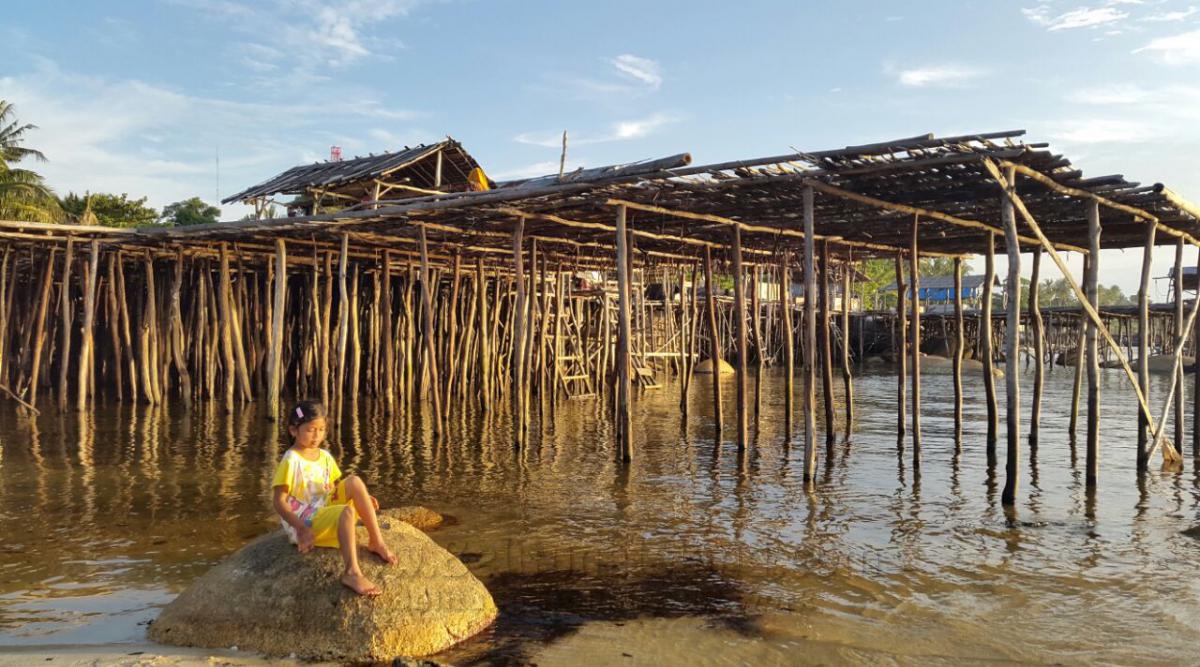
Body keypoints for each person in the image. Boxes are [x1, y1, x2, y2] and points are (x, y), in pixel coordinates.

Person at [271, 400, 397, 596]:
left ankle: (376, 541)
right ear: (293, 430)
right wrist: (301, 529)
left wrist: (360, 497)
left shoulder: (324, 456)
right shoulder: (291, 460)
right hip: (304, 519)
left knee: (355, 481)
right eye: (311, 430)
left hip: (322, 507)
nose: (317, 436)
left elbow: (335, 488)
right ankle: (351, 572)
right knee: (346, 512)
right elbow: (279, 501)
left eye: (321, 430)